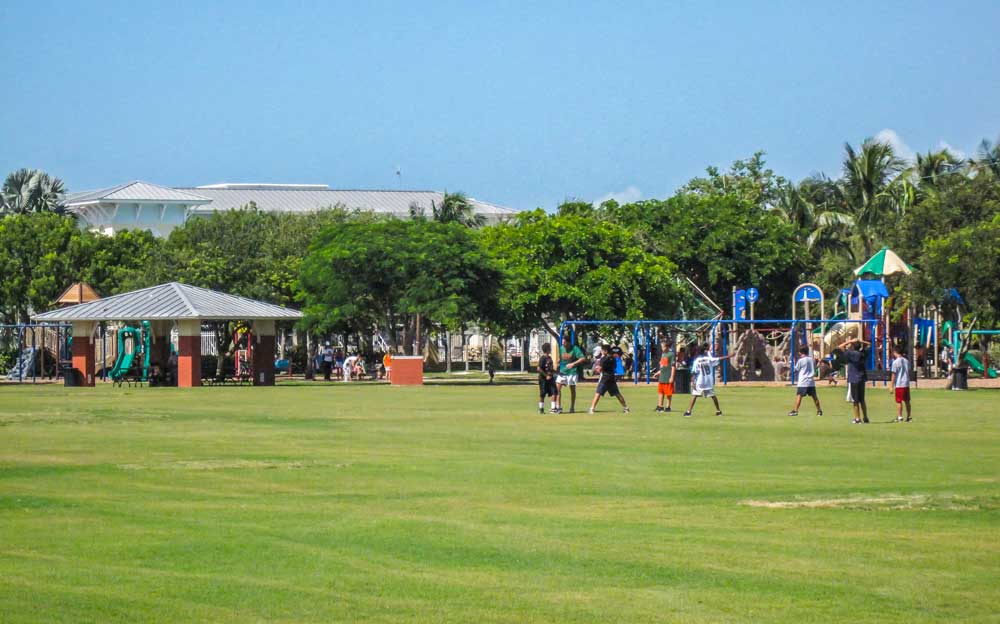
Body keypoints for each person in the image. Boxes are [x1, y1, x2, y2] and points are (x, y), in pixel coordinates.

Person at [684, 344, 732, 417]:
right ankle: (718, 411)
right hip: (708, 381)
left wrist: (693, 382)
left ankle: (688, 412)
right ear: (704, 352)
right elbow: (719, 359)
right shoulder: (709, 359)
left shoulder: (697, 360)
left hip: (700, 381)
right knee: (713, 396)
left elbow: (694, 372)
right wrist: (729, 356)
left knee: (695, 395)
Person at [589, 344, 629, 414]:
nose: (601, 352)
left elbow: (600, 369)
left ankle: (592, 408)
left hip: (604, 378)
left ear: (606, 351)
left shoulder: (603, 358)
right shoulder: (613, 358)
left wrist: (595, 370)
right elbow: (614, 367)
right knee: (617, 393)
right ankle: (626, 408)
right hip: (612, 377)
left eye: (602, 350)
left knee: (598, 393)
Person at [839, 337, 870, 424]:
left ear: (853, 346)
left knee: (855, 400)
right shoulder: (863, 353)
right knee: (862, 400)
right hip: (861, 378)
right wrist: (860, 341)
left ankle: (857, 418)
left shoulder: (850, 354)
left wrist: (849, 341)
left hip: (853, 378)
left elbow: (840, 347)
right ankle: (865, 417)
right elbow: (869, 344)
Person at [555, 335, 587, 413]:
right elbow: (560, 358)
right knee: (557, 389)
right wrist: (558, 362)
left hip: (572, 372)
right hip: (562, 372)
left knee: (572, 390)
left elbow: (583, 358)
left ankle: (572, 407)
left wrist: (573, 364)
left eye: (564, 342)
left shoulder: (575, 348)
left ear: (568, 342)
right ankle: (558, 407)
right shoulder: (561, 348)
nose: (563, 343)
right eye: (562, 342)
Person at [788, 346, 823, 416]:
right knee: (814, 396)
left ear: (801, 352)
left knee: (799, 396)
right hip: (811, 382)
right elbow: (815, 367)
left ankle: (795, 411)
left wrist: (790, 369)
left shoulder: (801, 360)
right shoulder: (811, 359)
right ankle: (819, 411)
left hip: (803, 381)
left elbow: (796, 369)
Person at [890, 345, 912, 422]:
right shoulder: (906, 361)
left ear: (895, 352)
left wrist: (891, 386)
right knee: (907, 401)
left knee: (899, 401)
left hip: (899, 384)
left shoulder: (895, 362)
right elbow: (908, 370)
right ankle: (909, 416)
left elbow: (893, 374)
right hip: (906, 383)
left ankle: (900, 416)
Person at [655, 340, 675, 412]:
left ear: (666, 347)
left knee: (668, 393)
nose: (662, 348)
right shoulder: (663, 354)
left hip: (668, 376)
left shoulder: (671, 354)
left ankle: (668, 407)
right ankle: (660, 406)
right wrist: (658, 372)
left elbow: (673, 366)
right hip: (662, 376)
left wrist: (672, 377)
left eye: (663, 347)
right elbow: (663, 365)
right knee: (660, 392)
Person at [537, 343, 557, 414]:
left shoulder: (550, 358)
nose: (551, 349)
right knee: (543, 394)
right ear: (547, 349)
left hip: (551, 378)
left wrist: (556, 372)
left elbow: (550, 368)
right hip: (543, 379)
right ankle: (541, 408)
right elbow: (539, 368)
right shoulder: (543, 358)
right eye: (550, 348)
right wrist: (546, 376)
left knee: (554, 392)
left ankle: (553, 408)